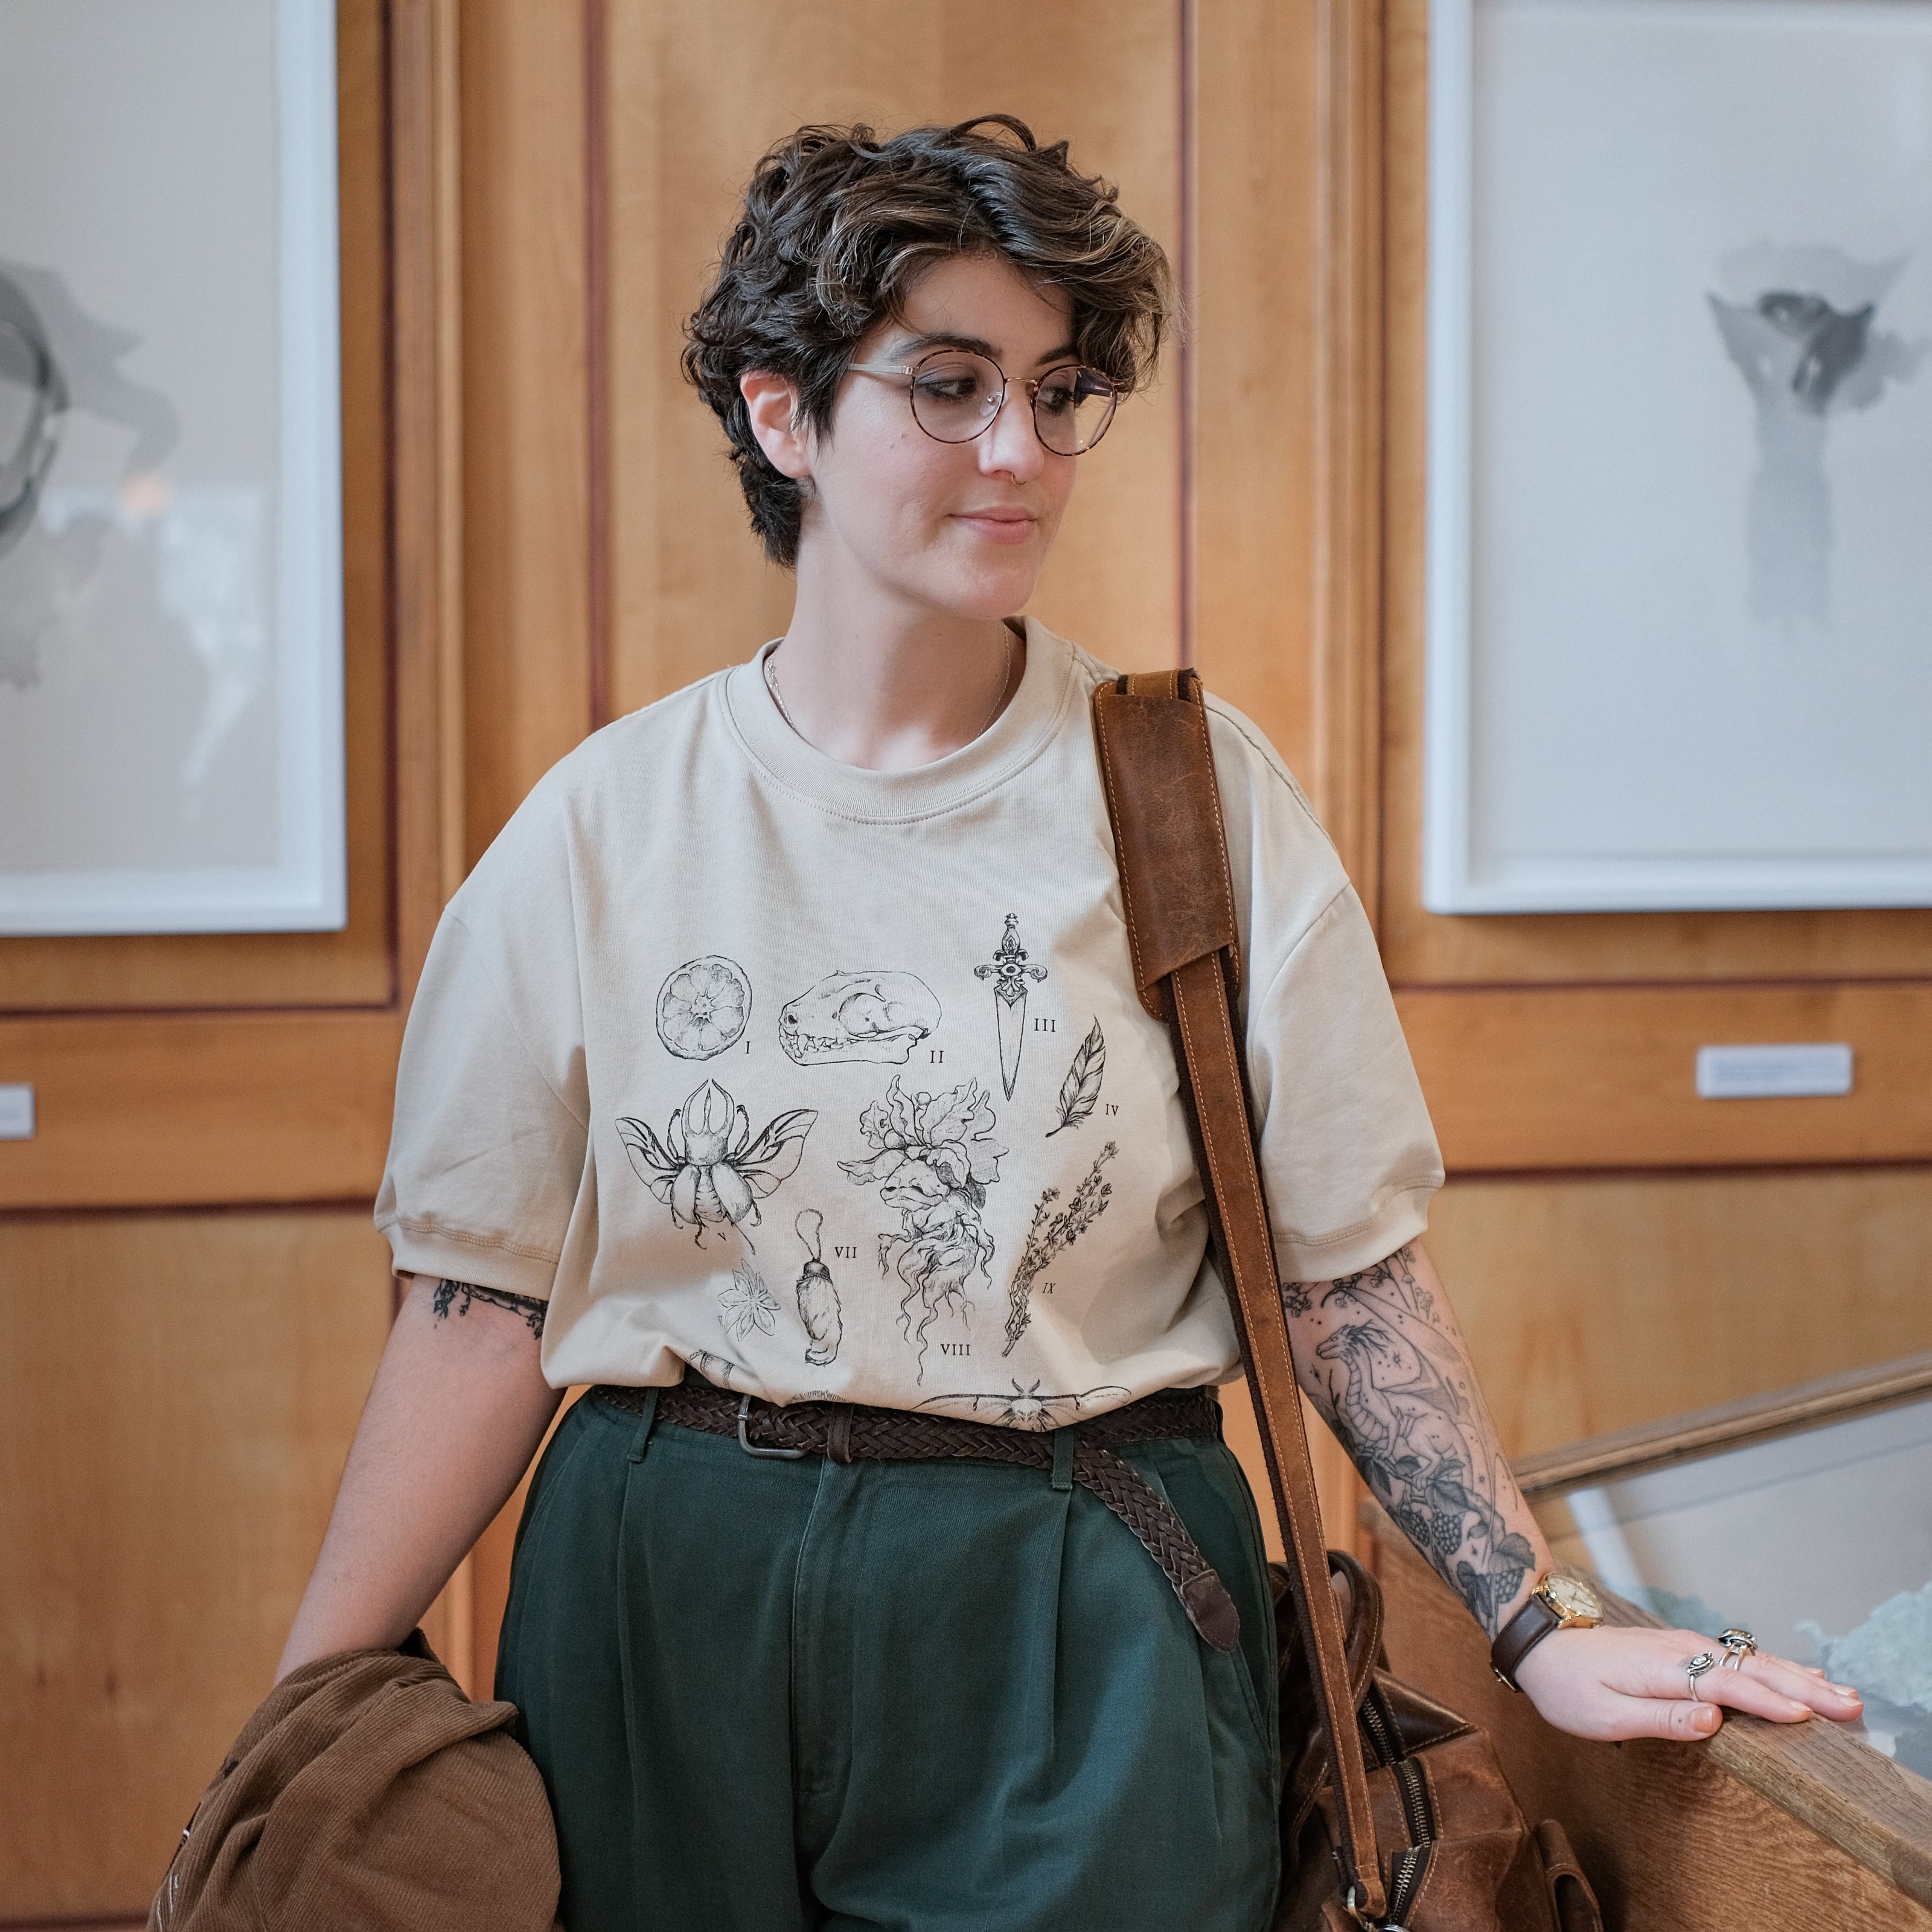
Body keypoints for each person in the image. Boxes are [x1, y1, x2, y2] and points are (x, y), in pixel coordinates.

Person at [278, 117, 1859, 1931]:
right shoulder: (605, 824)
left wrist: (1536, 1620)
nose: (1019, 450)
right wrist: (300, 1723)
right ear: (784, 415)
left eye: (1060, 388)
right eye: (947, 387)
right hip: (659, 1587)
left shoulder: (1189, 793)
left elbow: (1343, 1273)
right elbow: (477, 1315)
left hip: (1075, 1587)